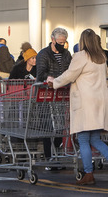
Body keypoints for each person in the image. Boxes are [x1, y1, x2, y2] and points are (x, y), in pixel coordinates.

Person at [47, 29, 108, 186]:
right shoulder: (101, 56)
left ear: (83, 41)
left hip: (85, 102)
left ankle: (88, 173)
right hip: (99, 101)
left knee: (82, 139)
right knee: (94, 138)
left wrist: (54, 82)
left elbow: (70, 74)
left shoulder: (80, 56)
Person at [36, 27, 73, 166]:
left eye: (64, 42)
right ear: (53, 40)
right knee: (47, 126)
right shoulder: (43, 54)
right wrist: (49, 77)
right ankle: (49, 156)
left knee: (61, 125)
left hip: (61, 94)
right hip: (46, 94)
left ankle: (57, 153)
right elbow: (40, 73)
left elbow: (70, 69)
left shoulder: (66, 54)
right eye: (59, 42)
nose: (62, 45)